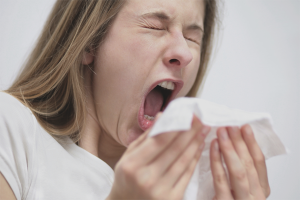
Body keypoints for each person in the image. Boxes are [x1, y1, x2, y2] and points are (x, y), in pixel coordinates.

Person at [0, 0, 270, 199]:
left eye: (191, 37)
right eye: (155, 26)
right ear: (89, 41)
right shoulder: (11, 128)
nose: (184, 53)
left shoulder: (196, 187)